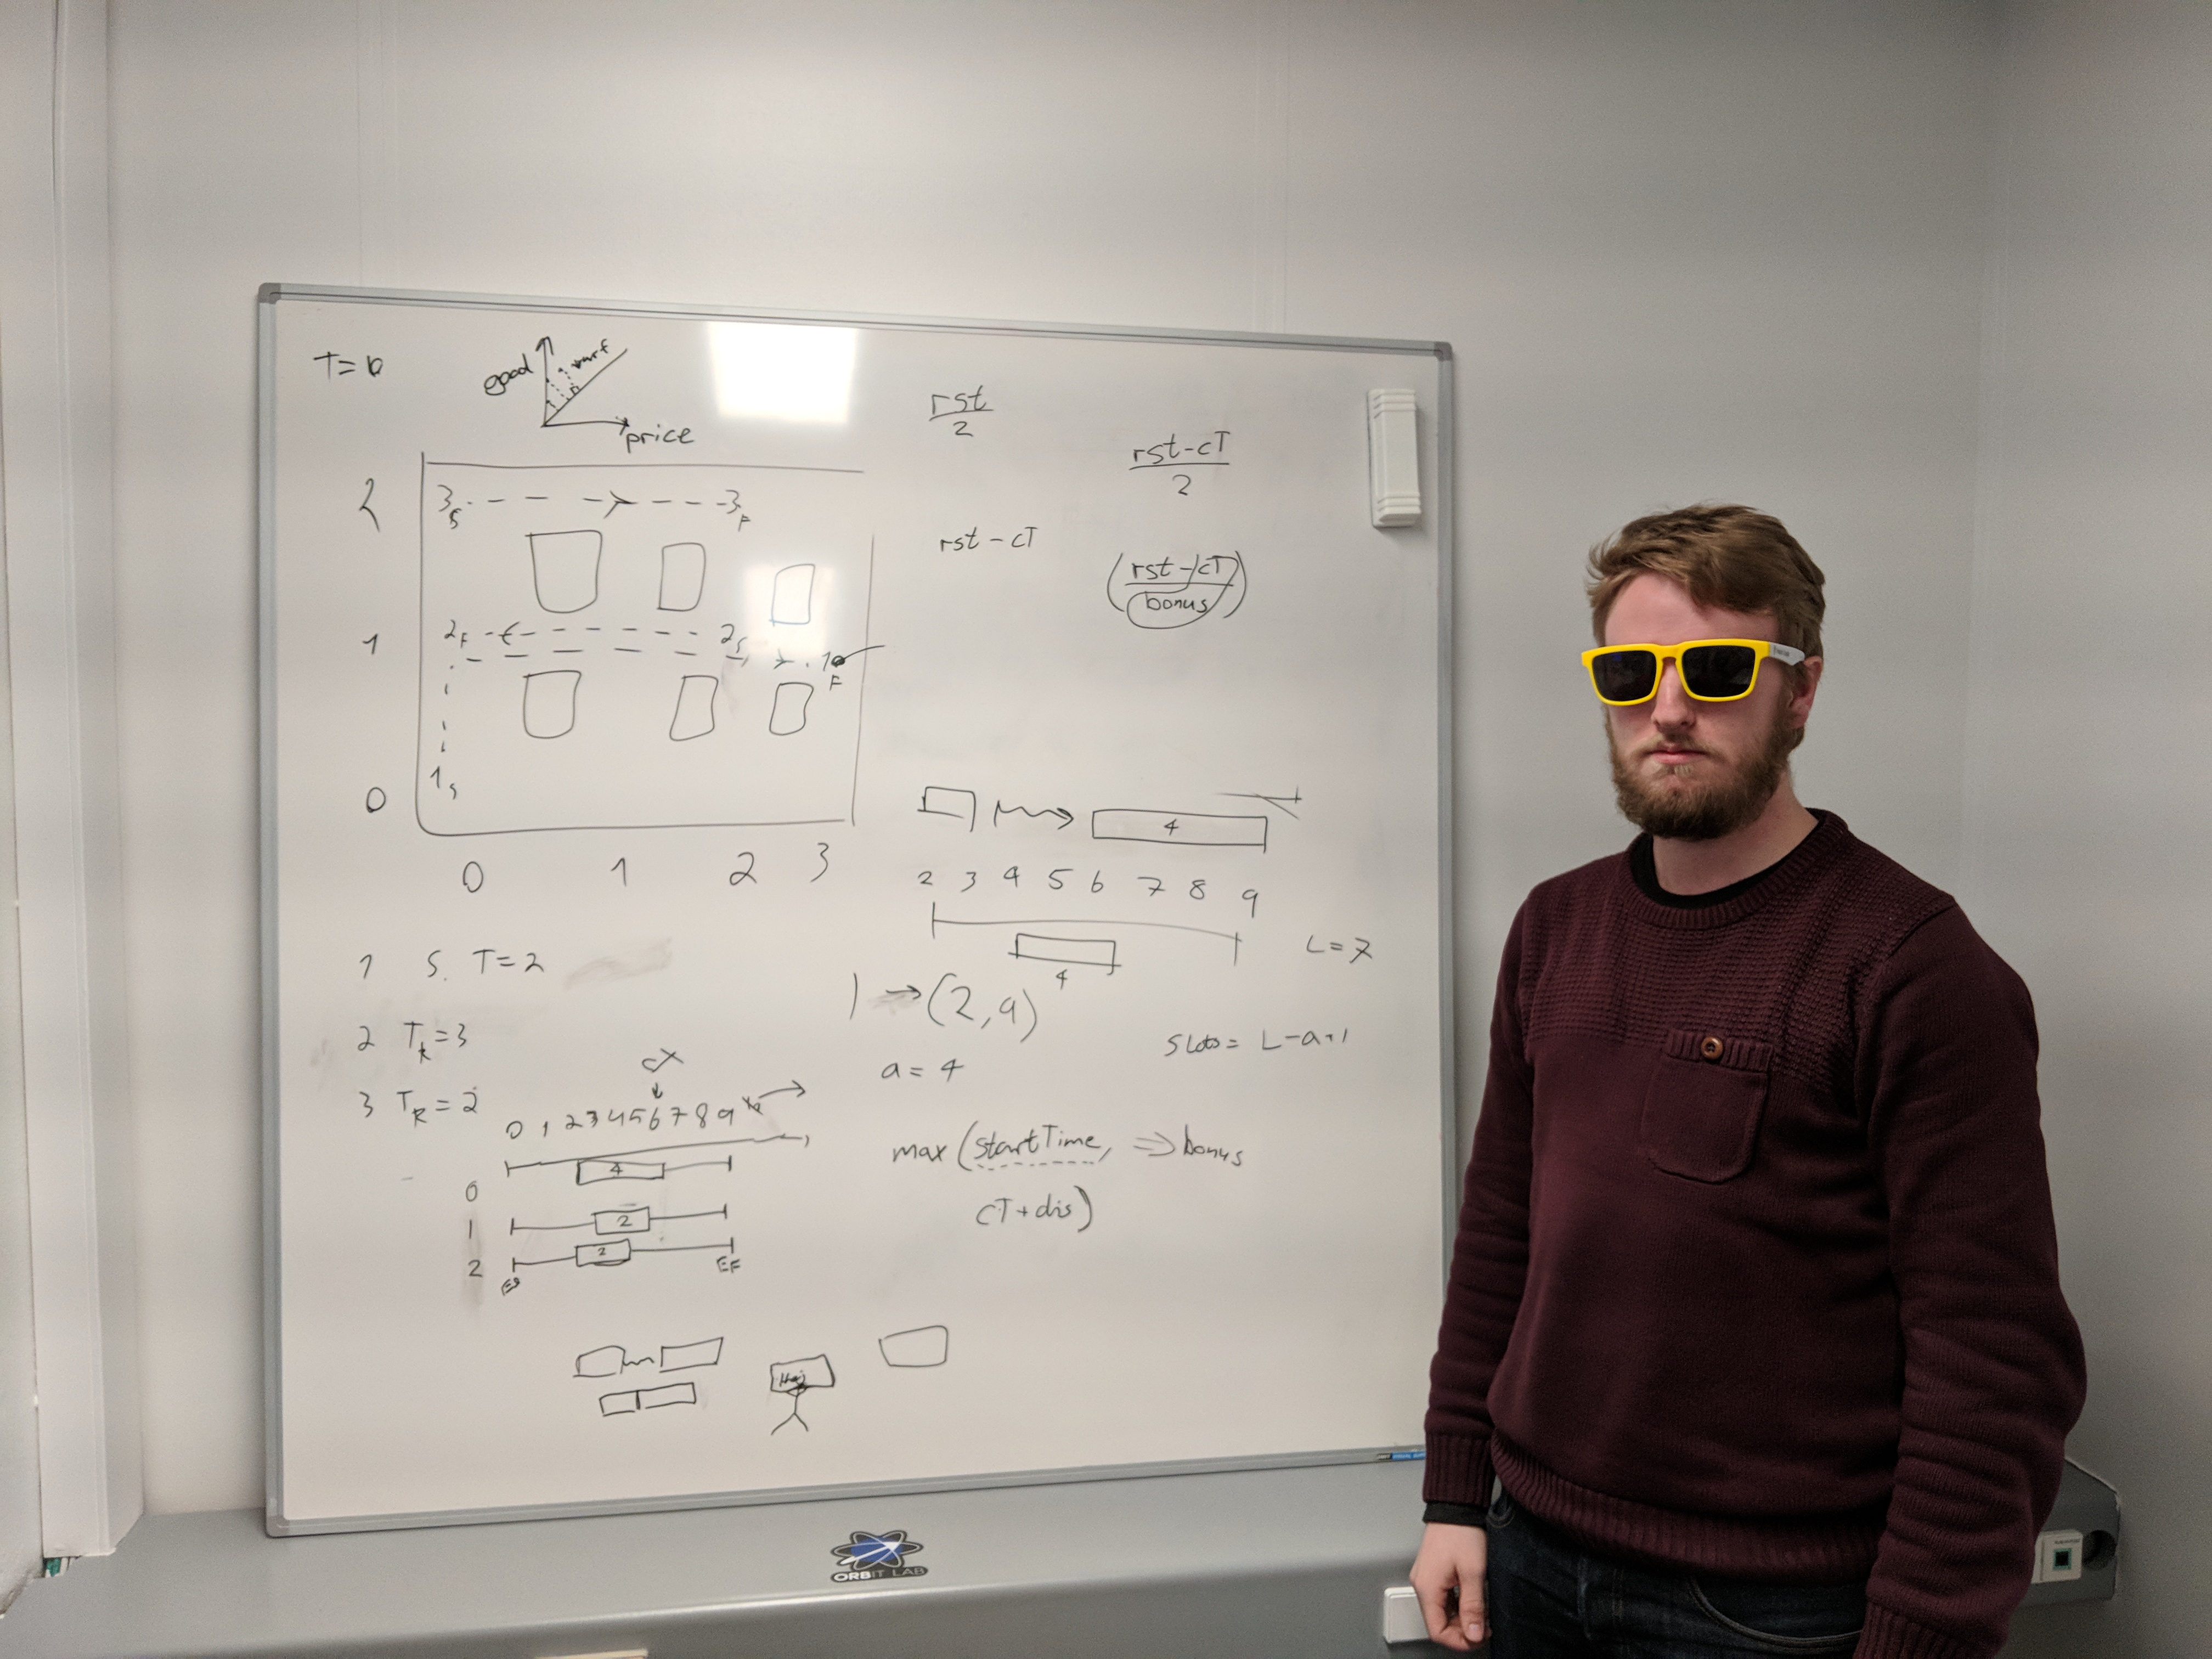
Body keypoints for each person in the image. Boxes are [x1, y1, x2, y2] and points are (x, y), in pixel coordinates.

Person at [1410, 505, 2085, 1658]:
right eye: (1631, 673)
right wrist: (1454, 1495)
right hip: (1529, 1557)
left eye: (1718, 669)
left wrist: (1923, 1636)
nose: (1668, 708)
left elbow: (1992, 1358)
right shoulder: (1555, 928)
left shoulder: (1913, 967)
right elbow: (1500, 1237)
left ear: (1801, 691)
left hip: (1770, 1613)